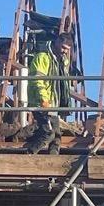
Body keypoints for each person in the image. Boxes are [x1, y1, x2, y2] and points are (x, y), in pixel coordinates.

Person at [24, 22, 66, 153]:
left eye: (68, 49)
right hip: (41, 102)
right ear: (57, 42)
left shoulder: (62, 60)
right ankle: (29, 153)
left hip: (53, 103)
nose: (65, 51)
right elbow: (37, 80)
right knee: (48, 133)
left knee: (56, 136)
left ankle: (53, 163)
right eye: (63, 47)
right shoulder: (43, 57)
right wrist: (43, 99)